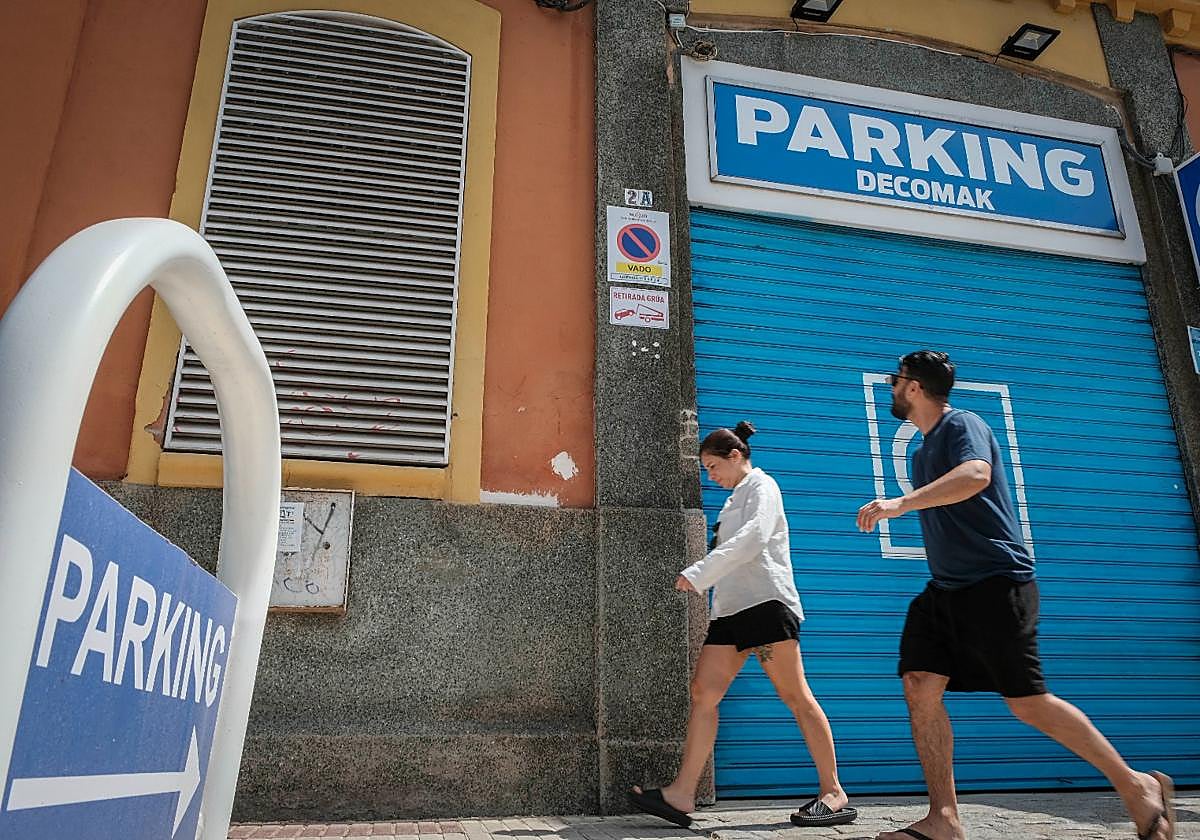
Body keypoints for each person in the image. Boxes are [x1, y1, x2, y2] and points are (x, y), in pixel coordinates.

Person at [856, 350, 1175, 840]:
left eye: (895, 381)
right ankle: (944, 819)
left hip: (996, 582)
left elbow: (976, 476)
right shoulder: (922, 453)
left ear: (914, 386)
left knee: (1027, 702)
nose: (891, 389)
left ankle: (1136, 786)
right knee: (920, 683)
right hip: (946, 591)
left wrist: (900, 503)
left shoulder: (962, 425)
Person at [630, 421, 855, 829]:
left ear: (736, 456)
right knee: (703, 692)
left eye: (713, 467)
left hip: (767, 606)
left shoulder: (763, 487)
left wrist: (701, 571)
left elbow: (754, 538)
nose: (710, 476)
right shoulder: (733, 500)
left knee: (795, 696)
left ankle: (833, 791)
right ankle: (681, 793)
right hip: (731, 613)